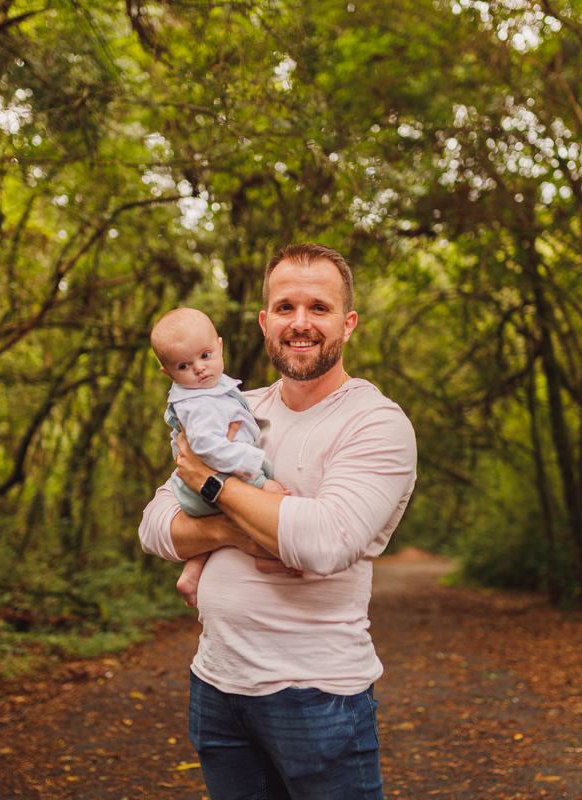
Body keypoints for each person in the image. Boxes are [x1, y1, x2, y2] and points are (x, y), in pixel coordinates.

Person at [140, 243, 417, 799]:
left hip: (317, 698)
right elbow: (154, 524)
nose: (301, 322)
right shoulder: (235, 407)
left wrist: (212, 485)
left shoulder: (375, 423)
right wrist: (239, 530)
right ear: (266, 323)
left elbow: (322, 543)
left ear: (348, 323)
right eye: (286, 307)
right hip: (216, 686)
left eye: (320, 307)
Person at [149, 307, 288, 607]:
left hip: (204, 482)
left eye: (205, 355)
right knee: (265, 498)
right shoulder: (198, 404)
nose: (199, 368)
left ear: (220, 346)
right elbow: (210, 451)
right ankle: (274, 560)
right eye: (184, 365)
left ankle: (192, 572)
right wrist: (259, 479)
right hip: (209, 482)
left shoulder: (212, 389)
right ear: (168, 373)